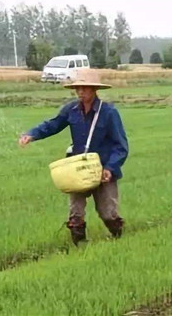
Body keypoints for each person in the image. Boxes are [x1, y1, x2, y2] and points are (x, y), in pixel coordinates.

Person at [19, 69, 129, 245]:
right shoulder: (71, 110)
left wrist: (110, 168)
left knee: (108, 213)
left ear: (94, 90)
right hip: (78, 169)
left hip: (103, 170)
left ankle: (119, 238)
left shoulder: (108, 113)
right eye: (78, 88)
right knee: (75, 213)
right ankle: (80, 246)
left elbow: (121, 146)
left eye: (85, 88)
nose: (81, 92)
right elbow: (53, 125)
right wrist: (32, 135)